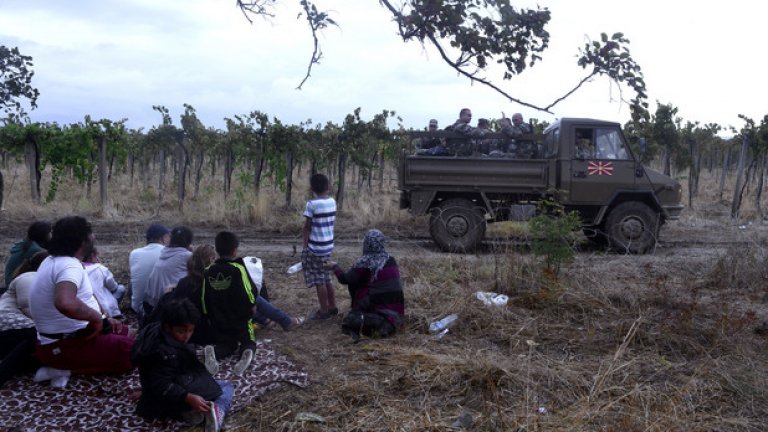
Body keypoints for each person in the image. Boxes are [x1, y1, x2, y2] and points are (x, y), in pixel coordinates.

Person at [29, 216, 134, 384]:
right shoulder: (69, 266)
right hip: (63, 346)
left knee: (129, 333)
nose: (94, 237)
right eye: (90, 233)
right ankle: (61, 371)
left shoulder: (51, 260)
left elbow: (84, 297)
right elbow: (65, 302)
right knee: (134, 352)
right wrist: (95, 318)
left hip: (65, 339)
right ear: (82, 241)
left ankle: (62, 366)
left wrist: (105, 319)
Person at [131, 297, 232, 432]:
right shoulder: (165, 352)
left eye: (190, 331)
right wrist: (188, 397)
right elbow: (162, 384)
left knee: (203, 380)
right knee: (226, 386)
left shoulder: (153, 330)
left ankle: (190, 413)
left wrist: (147, 390)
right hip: (167, 398)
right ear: (168, 327)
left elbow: (156, 375)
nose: (187, 336)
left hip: (161, 394)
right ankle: (216, 411)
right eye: (182, 331)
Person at [324, 229, 405, 336]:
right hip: (397, 317)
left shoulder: (366, 262)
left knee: (350, 321)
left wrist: (335, 267)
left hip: (380, 315)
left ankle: (367, 317)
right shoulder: (390, 259)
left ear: (366, 244)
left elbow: (346, 279)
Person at [0, 251, 48, 387]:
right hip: (7, 323)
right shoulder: (29, 277)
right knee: (37, 336)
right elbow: (28, 307)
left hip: (13, 328)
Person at [302, 173, 339, 320]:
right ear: (327, 186)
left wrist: (305, 246)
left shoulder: (311, 205)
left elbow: (307, 227)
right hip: (328, 246)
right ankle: (333, 306)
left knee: (319, 280)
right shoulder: (332, 202)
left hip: (315, 248)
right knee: (327, 277)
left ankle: (323, 311)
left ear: (312, 188)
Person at [144, 226, 194, 317]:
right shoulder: (187, 256)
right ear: (189, 241)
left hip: (150, 303)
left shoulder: (165, 252)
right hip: (167, 305)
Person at [129, 223, 170, 315]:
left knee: (132, 283)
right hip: (160, 308)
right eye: (168, 237)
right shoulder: (167, 252)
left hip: (138, 308)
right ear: (163, 238)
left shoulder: (134, 253)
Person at [4, 221, 51, 288]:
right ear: (45, 235)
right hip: (13, 283)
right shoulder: (36, 250)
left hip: (11, 280)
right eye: (50, 232)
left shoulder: (27, 243)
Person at [83, 246, 126, 319]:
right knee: (121, 288)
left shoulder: (76, 268)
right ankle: (113, 312)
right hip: (104, 307)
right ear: (93, 255)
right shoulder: (99, 268)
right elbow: (113, 287)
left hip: (85, 306)